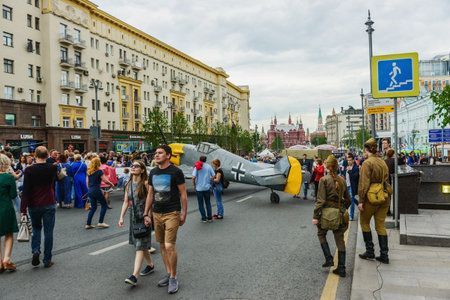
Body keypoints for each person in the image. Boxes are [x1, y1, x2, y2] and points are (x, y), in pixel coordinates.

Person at [144, 145, 188, 294]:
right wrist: (146, 214)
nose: (156, 155)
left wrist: (184, 214)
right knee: (162, 245)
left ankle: (174, 277)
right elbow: (150, 194)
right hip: (156, 213)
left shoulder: (176, 172)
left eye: (160, 153)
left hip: (172, 212)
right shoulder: (153, 172)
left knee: (169, 246)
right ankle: (169, 273)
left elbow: (183, 194)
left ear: (168, 155)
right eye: (156, 153)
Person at [313, 155, 351, 277]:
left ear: (327, 166)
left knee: (321, 234)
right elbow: (348, 200)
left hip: (325, 214)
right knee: (340, 239)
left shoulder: (324, 180)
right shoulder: (342, 180)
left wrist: (315, 215)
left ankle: (329, 258)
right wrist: (342, 208)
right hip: (339, 214)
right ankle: (341, 268)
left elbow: (321, 201)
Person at [119, 160, 155, 286]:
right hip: (133, 217)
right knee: (140, 243)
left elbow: (151, 201)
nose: (133, 167)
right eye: (132, 166)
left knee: (139, 246)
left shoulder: (145, 183)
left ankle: (134, 276)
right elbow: (125, 202)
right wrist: (121, 217)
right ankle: (150, 265)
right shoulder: (128, 184)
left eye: (136, 166)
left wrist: (148, 216)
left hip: (144, 217)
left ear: (143, 170)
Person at [21, 146, 58, 268]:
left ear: (35, 156)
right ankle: (47, 259)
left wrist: (23, 209)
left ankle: (36, 250)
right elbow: (54, 183)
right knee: (48, 232)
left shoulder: (29, 170)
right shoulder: (53, 168)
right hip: (49, 202)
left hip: (34, 203)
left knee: (36, 229)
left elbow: (26, 190)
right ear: (47, 155)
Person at [358, 138, 392, 264]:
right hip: (384, 196)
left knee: (365, 223)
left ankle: (370, 251)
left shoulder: (367, 163)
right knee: (380, 226)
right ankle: (384, 255)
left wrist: (361, 200)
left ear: (366, 149)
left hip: (370, 198)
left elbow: (364, 184)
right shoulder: (382, 162)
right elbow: (387, 179)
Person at [0, 154, 19, 272]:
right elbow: (13, 195)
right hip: (6, 207)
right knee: (9, 234)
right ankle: (6, 259)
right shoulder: (9, 177)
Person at [86, 158, 114, 229]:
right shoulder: (99, 171)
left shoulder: (89, 172)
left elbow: (87, 183)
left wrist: (90, 188)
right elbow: (105, 180)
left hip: (90, 190)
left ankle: (88, 224)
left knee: (93, 207)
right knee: (104, 205)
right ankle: (101, 222)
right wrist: (111, 183)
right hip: (97, 190)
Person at [192, 155, 215, 222]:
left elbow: (193, 177)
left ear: (200, 159)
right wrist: (210, 181)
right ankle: (210, 218)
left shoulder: (197, 167)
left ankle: (204, 218)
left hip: (199, 188)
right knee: (208, 203)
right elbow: (213, 175)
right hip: (206, 187)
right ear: (206, 160)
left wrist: (194, 185)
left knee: (200, 203)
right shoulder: (208, 166)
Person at [346, 153, 359, 221]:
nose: (349, 161)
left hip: (352, 186)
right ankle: (360, 205)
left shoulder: (355, 168)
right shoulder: (347, 167)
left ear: (353, 160)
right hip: (347, 185)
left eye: (350, 160)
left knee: (351, 200)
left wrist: (349, 171)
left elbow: (355, 177)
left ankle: (351, 215)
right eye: (348, 160)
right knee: (352, 199)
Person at [384, 149, 395, 216]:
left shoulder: (384, 161)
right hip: (391, 179)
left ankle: (386, 210)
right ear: (393, 154)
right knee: (389, 195)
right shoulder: (394, 161)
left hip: (385, 180)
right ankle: (388, 210)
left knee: (386, 194)